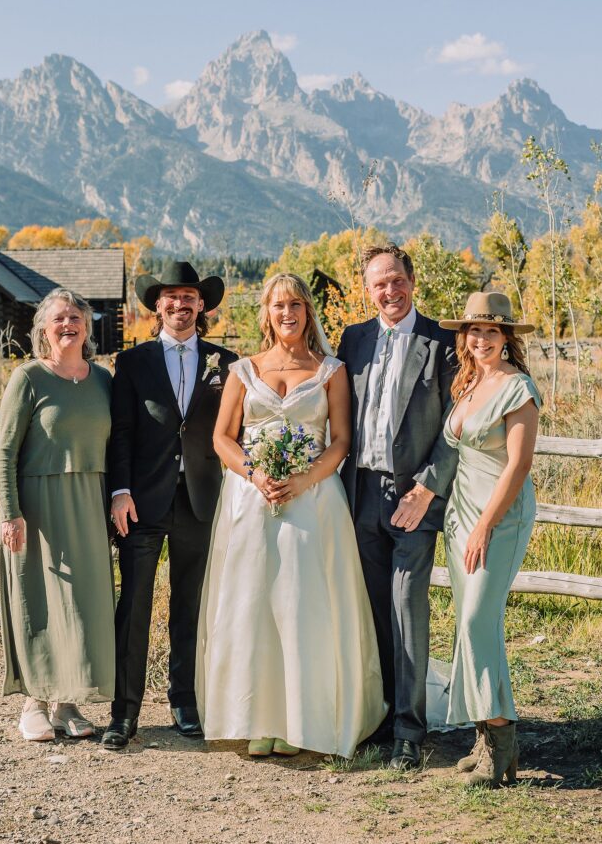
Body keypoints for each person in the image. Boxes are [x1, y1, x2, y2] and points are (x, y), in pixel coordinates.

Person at [196, 273, 386, 759]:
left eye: (296, 305)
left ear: (308, 312)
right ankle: (258, 718)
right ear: (267, 312)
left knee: (305, 604)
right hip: (251, 502)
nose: (288, 313)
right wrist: (255, 474)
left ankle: (303, 718)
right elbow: (222, 438)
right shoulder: (243, 370)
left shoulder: (331, 371)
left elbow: (341, 440)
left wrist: (303, 481)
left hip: (314, 501)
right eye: (279, 305)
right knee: (253, 605)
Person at [102, 262, 237, 749]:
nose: (180, 305)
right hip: (141, 500)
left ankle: (185, 701)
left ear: (202, 306)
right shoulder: (132, 363)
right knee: (133, 603)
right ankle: (125, 711)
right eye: (171, 297)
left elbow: (237, 431)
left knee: (191, 605)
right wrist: (120, 491)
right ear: (157, 305)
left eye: (190, 297)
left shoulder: (226, 361)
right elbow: (120, 435)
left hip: (200, 498)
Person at [337, 244, 458, 770]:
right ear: (368, 290)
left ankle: (411, 730)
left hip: (413, 497)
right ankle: (384, 718)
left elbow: (456, 427)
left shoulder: (443, 344)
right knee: (374, 611)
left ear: (412, 280)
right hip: (362, 493)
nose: (389, 291)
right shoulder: (354, 340)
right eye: (378, 284)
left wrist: (428, 488)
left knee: (408, 607)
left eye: (395, 280)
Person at [0, 288, 115, 742]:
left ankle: (68, 703)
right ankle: (34, 703)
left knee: (83, 602)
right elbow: (5, 452)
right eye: (59, 319)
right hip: (37, 505)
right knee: (40, 600)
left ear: (87, 326)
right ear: (44, 329)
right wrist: (11, 513)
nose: (68, 325)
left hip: (89, 499)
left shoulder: (103, 379)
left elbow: (117, 444)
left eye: (76, 318)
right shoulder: (27, 378)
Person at [439, 291, 540, 787]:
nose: (481, 339)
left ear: (507, 339)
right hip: (460, 514)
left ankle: (502, 741)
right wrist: (463, 520)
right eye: (474, 331)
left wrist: (485, 524)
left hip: (499, 517)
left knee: (478, 620)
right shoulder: (469, 382)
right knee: (471, 625)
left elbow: (519, 465)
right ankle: (484, 736)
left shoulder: (518, 388)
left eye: (491, 332)